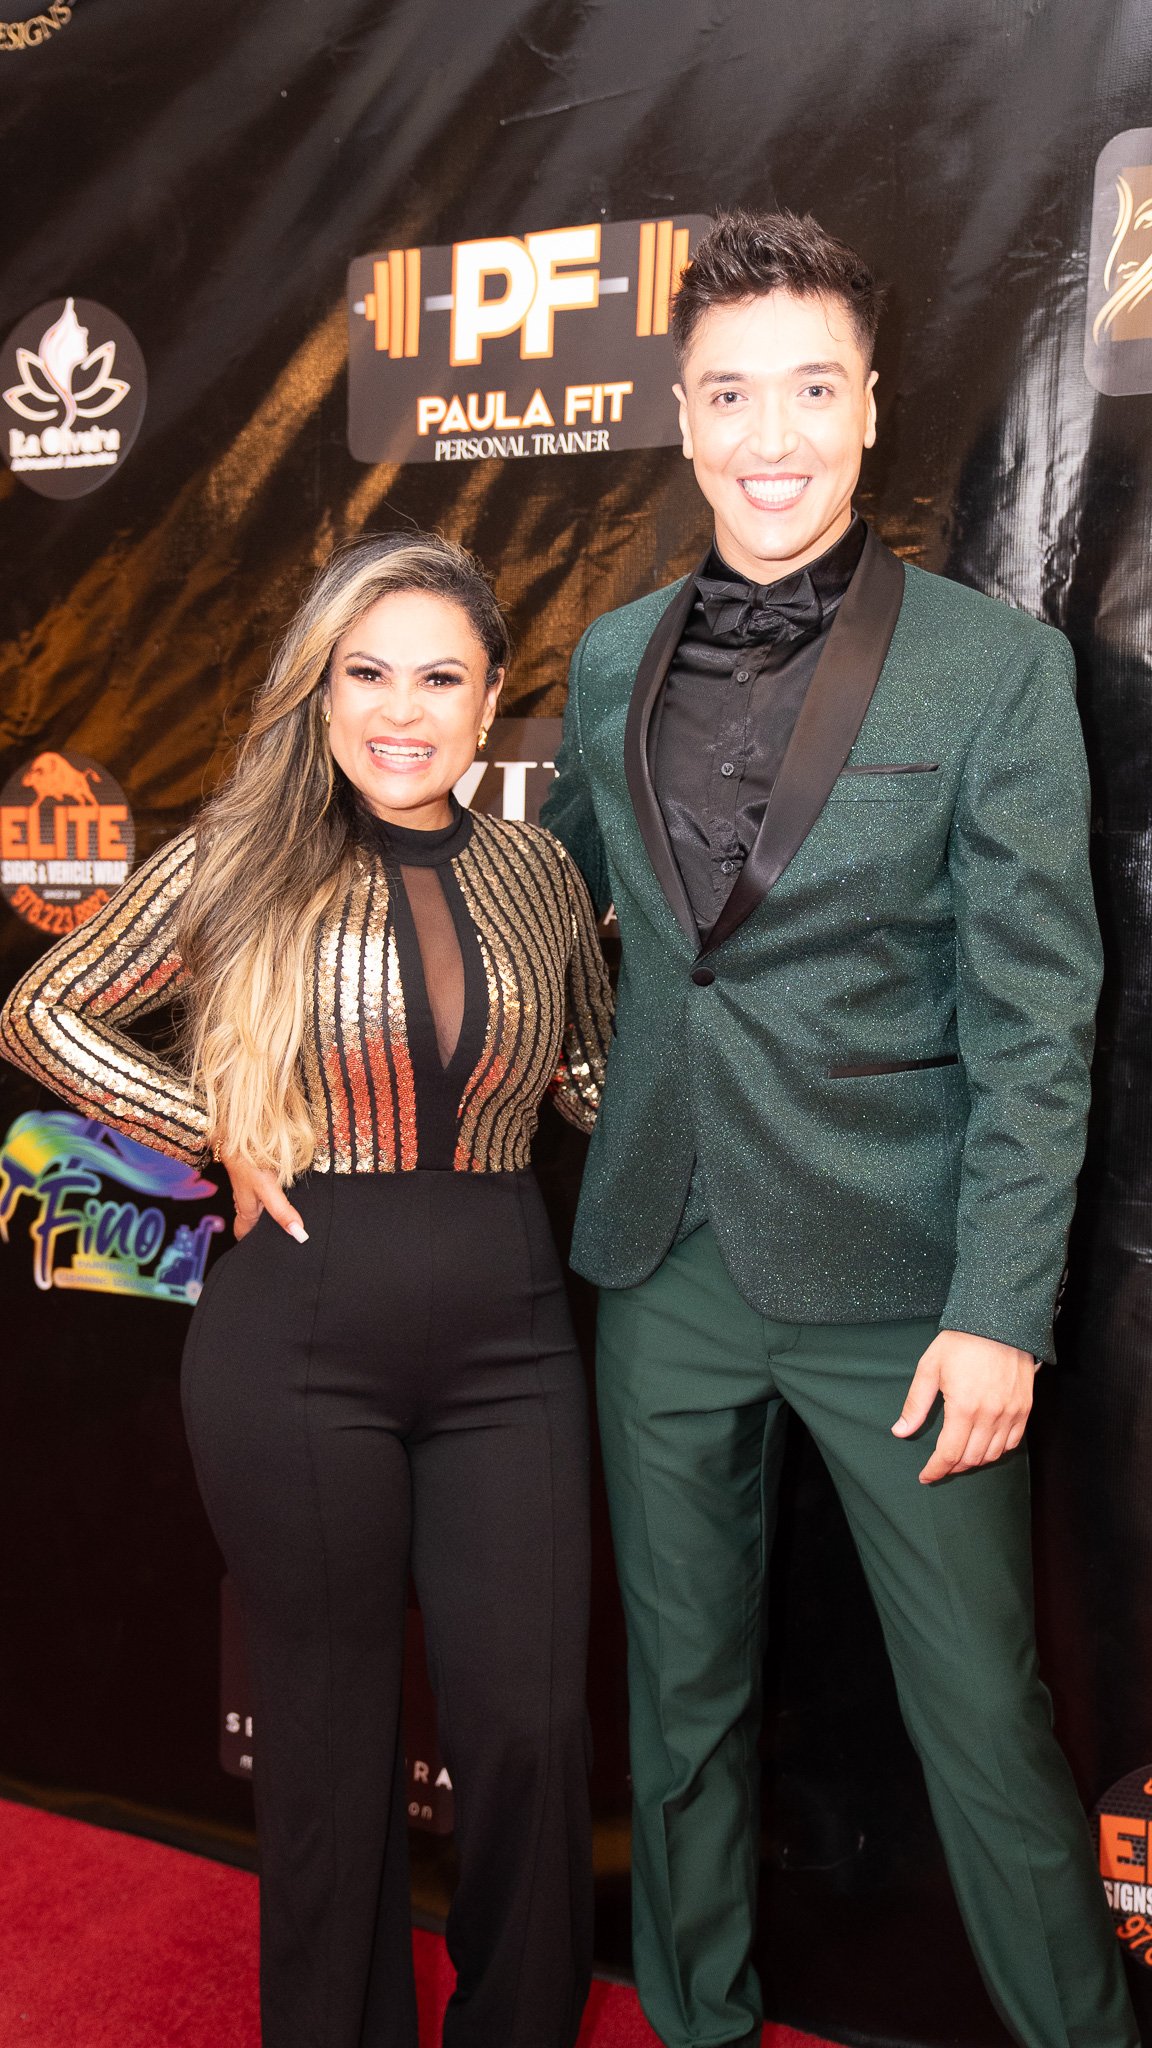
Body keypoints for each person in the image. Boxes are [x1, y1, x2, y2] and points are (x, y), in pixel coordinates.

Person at [541, 210, 1139, 2048]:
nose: (771, 435)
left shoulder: (992, 665)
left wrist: (1001, 1310)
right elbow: (543, 916)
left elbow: (1038, 1021)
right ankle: (698, 2019)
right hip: (660, 1259)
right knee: (680, 1709)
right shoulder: (608, 657)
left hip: (904, 1292)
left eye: (811, 389)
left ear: (870, 406)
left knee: (984, 1721)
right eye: (731, 394)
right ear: (684, 416)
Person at [0, 533, 613, 2048]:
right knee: (330, 1747)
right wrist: (213, 1124)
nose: (402, 711)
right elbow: (41, 1008)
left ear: (491, 706)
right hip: (297, 1344)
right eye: (368, 673)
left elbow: (594, 1087)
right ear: (322, 690)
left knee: (533, 1728)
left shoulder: (542, 875)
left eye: (440, 679)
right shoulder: (241, 856)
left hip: (512, 1342)